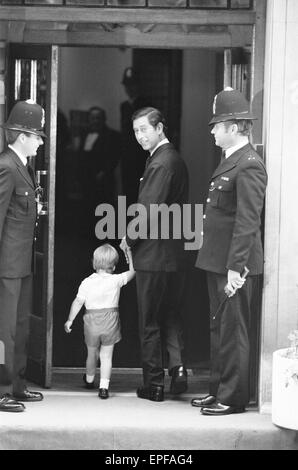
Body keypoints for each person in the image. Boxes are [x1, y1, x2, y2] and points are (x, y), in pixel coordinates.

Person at [191, 88, 267, 416]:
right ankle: (218, 389)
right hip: (218, 260)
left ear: (233, 127)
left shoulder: (248, 164)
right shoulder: (232, 160)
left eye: (216, 126)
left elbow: (247, 222)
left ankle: (233, 397)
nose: (212, 131)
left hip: (234, 265)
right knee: (219, 327)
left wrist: (236, 267)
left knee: (233, 330)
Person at [120, 107, 190, 402]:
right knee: (170, 314)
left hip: (153, 254)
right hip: (174, 254)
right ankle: (178, 369)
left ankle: (154, 384)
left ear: (160, 127)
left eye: (144, 130)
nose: (139, 136)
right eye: (135, 131)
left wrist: (128, 239)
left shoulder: (161, 162)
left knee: (148, 320)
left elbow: (148, 210)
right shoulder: (173, 158)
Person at [0, 100, 45, 412]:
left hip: (20, 264)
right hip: (6, 266)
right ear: (22, 136)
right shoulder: (6, 167)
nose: (40, 141)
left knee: (20, 327)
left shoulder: (21, 166)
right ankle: (3, 390)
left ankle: (16, 386)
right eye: (37, 136)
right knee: (5, 331)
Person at [64, 244, 135, 399]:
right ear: (114, 265)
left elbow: (78, 302)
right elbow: (132, 272)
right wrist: (128, 253)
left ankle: (89, 380)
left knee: (91, 353)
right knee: (106, 356)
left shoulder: (87, 282)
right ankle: (104, 387)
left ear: (94, 263)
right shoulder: (116, 280)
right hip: (110, 320)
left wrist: (70, 320)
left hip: (91, 321)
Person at [77, 106, 121, 239]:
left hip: (103, 181)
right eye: (92, 118)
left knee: (103, 210)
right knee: (87, 209)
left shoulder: (112, 135)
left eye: (98, 118)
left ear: (103, 119)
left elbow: (113, 157)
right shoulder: (84, 133)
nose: (95, 121)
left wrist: (103, 172)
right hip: (87, 180)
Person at [120, 67, 151, 206]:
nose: (129, 88)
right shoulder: (124, 106)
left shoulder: (147, 105)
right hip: (127, 159)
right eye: (127, 85)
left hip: (141, 157)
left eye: (132, 84)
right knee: (128, 197)